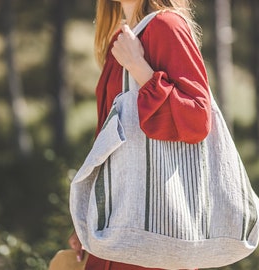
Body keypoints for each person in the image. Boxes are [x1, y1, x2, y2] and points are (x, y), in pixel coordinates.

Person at [69, 0, 211, 269]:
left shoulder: (166, 25)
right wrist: (87, 215)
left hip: (151, 227)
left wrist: (138, 66)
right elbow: (106, 139)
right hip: (115, 223)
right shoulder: (120, 38)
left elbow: (197, 120)